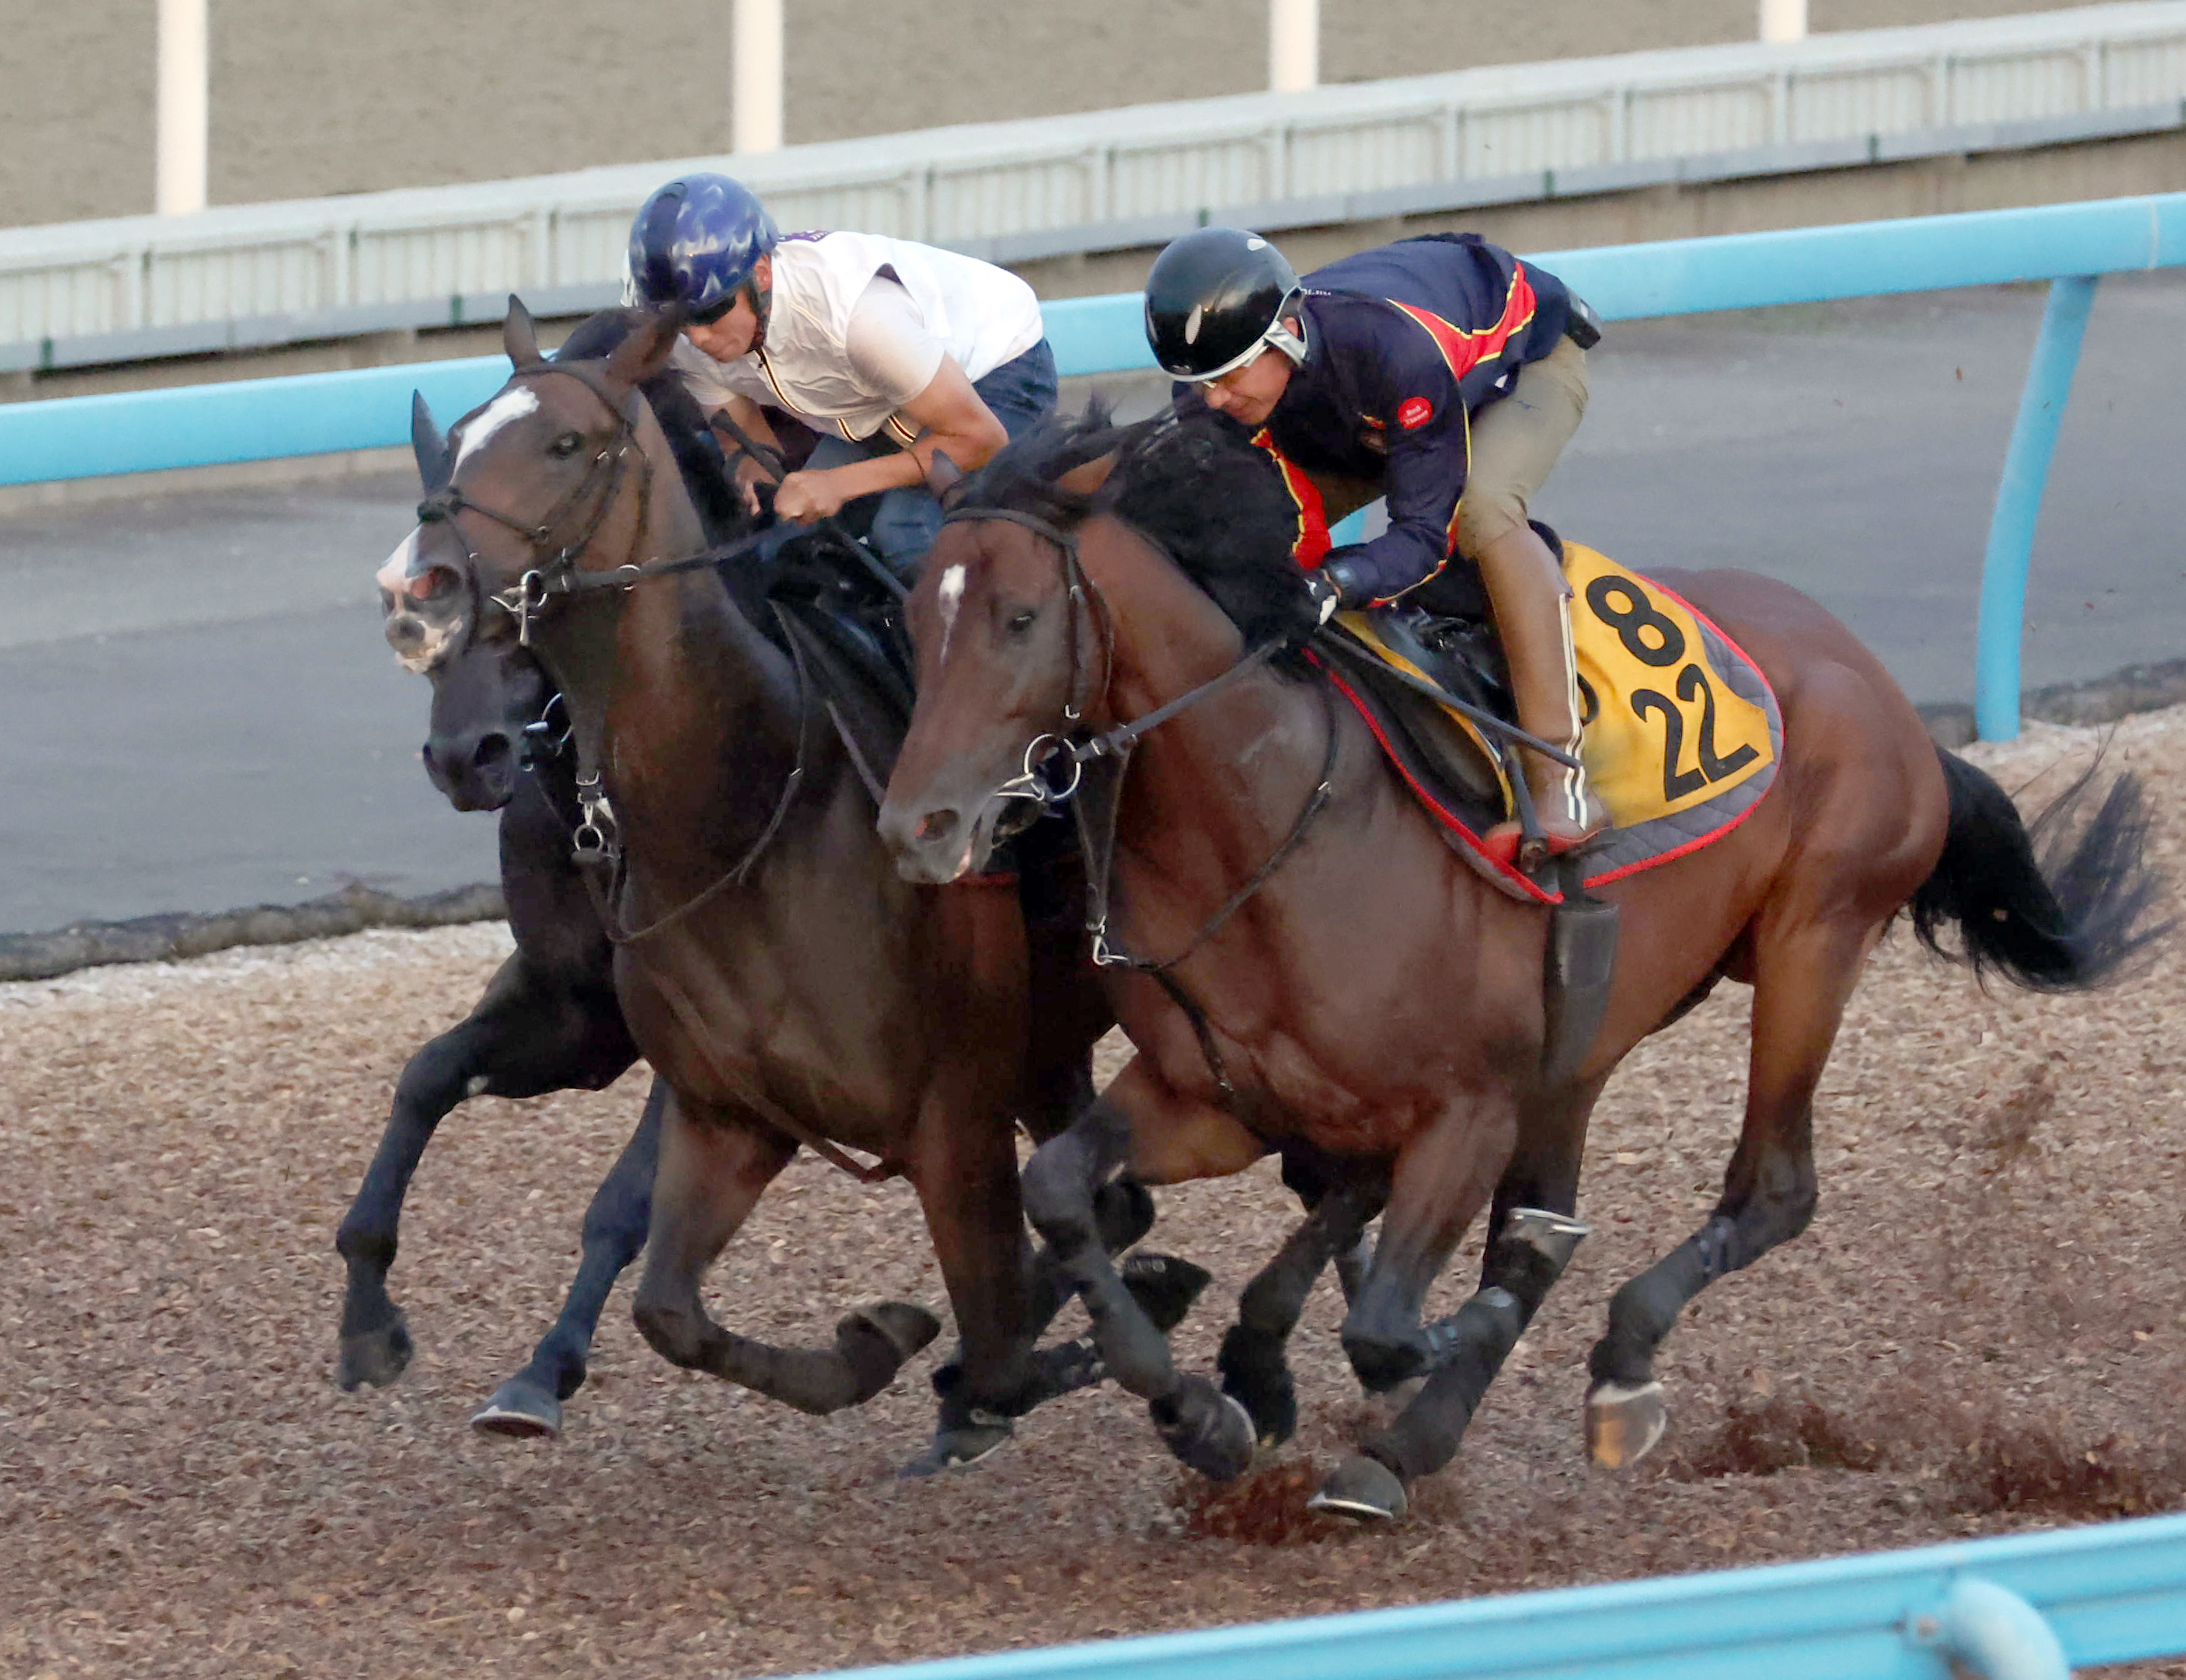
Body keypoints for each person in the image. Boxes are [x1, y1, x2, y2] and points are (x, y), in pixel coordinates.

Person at [1143, 226, 1604, 863]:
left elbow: (1422, 536)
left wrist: (1339, 583)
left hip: (1518, 368)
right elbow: (1269, 527)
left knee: (1478, 510)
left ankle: (1560, 777)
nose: (1213, 399)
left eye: (1228, 376)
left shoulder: (1392, 352)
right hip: (1368, 412)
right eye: (1198, 383)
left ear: (1282, 335)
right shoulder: (1219, 394)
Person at [626, 172, 1058, 573]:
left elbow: (980, 439)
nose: (698, 338)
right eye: (680, 321)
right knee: (783, 545)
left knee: (905, 529)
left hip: (996, 373)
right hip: (879, 400)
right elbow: (747, 443)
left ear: (760, 274)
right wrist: (753, 486)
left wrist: (839, 483)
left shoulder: (862, 321)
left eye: (712, 310)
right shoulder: (689, 345)